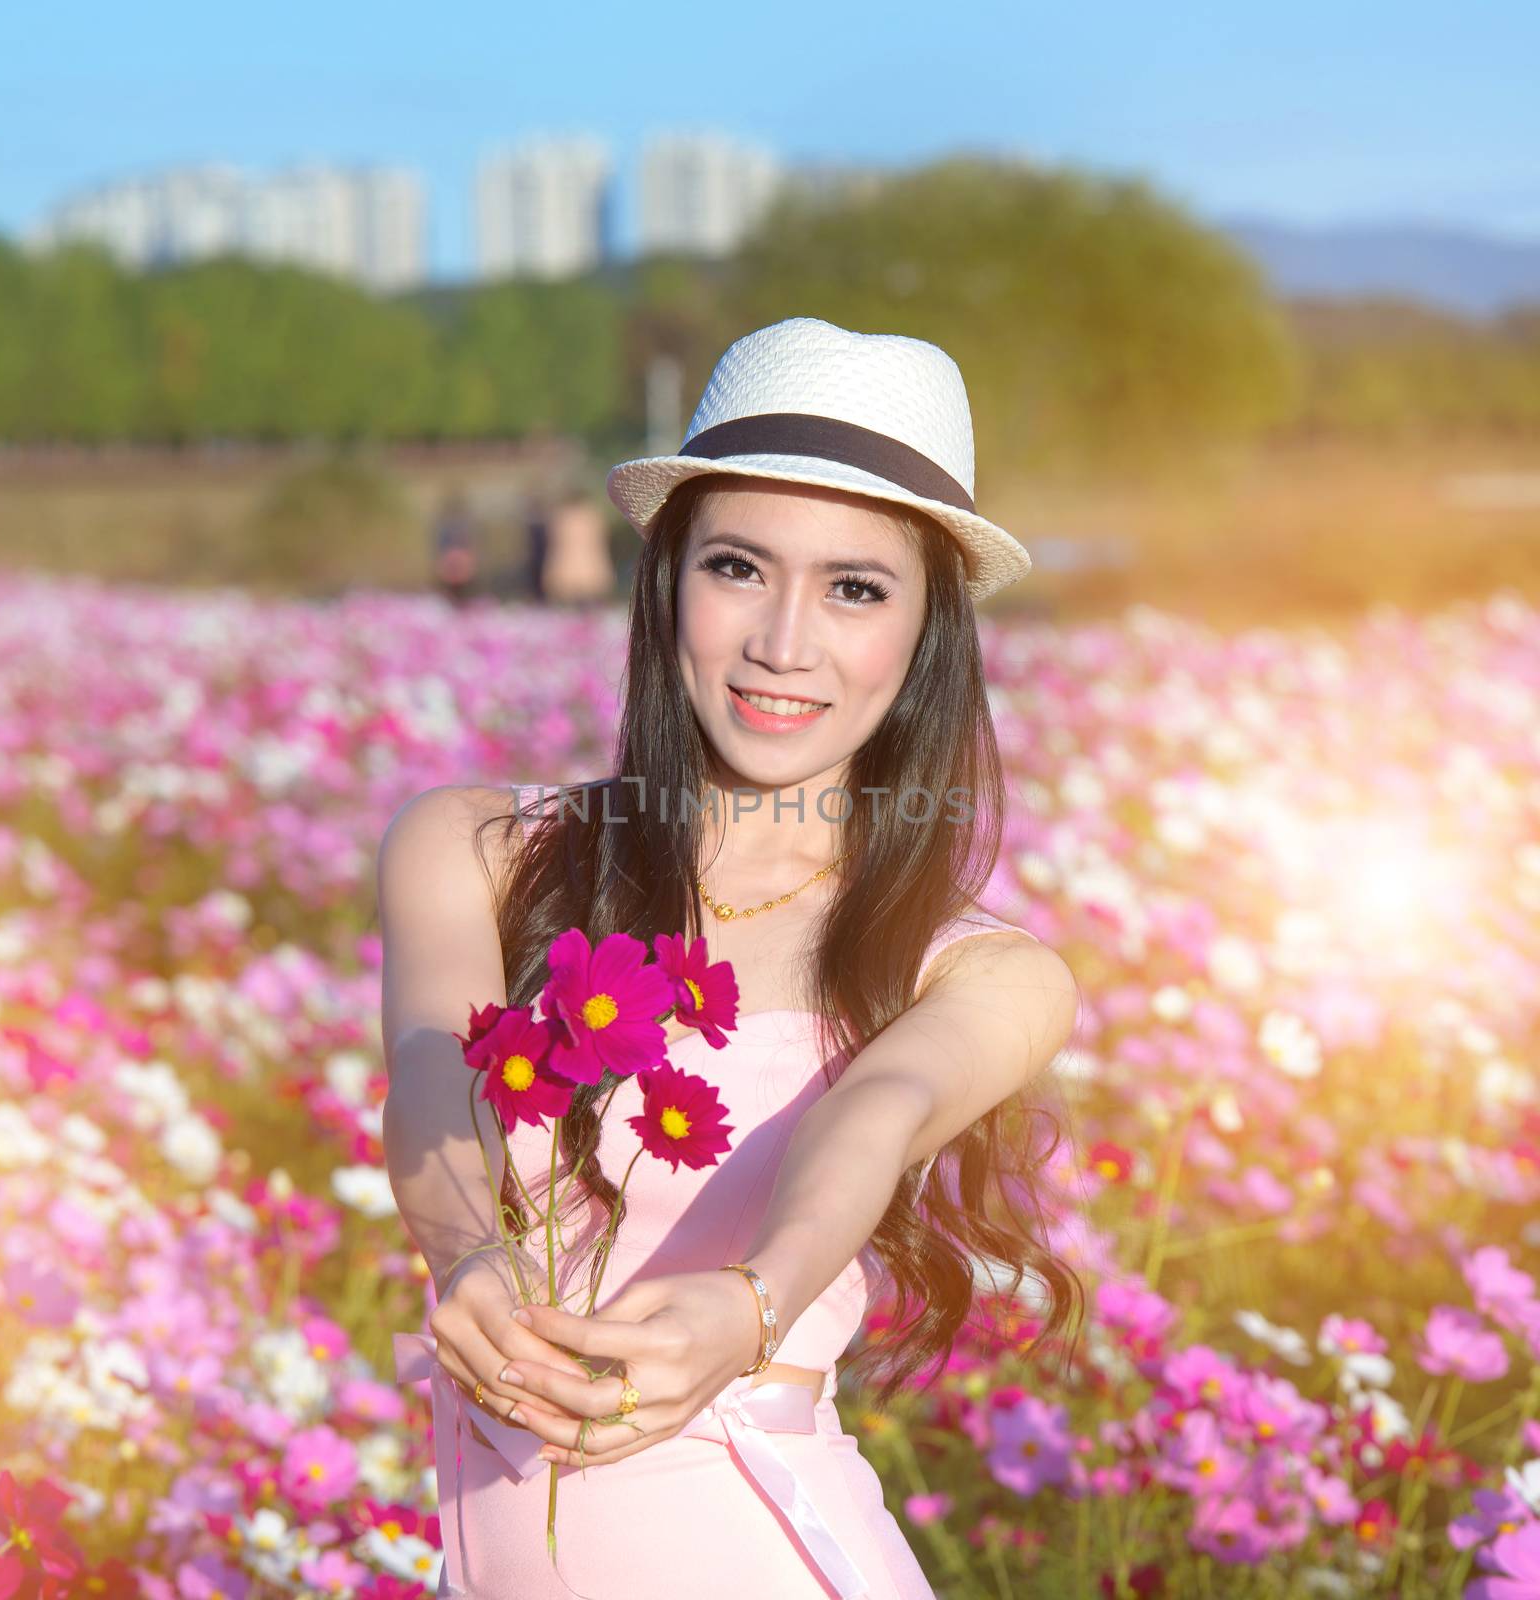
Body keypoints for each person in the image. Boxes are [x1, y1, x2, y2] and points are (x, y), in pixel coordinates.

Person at [377, 316, 1083, 1598]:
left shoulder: (982, 972)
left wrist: (753, 1307)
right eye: (740, 567)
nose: (783, 641)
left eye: (856, 587)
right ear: (667, 582)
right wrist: (465, 1248)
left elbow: (874, 1113)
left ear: (926, 635)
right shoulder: (474, 850)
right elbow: (431, 1070)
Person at [539, 489, 616, 607]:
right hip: (589, 566)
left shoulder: (562, 515)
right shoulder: (592, 514)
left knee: (568, 607)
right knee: (589, 605)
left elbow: (554, 539)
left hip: (568, 566)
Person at [431, 488, 483, 606]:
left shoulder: (459, 524)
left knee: (461, 586)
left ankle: (459, 603)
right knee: (454, 586)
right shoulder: (449, 525)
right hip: (453, 560)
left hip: (457, 560)